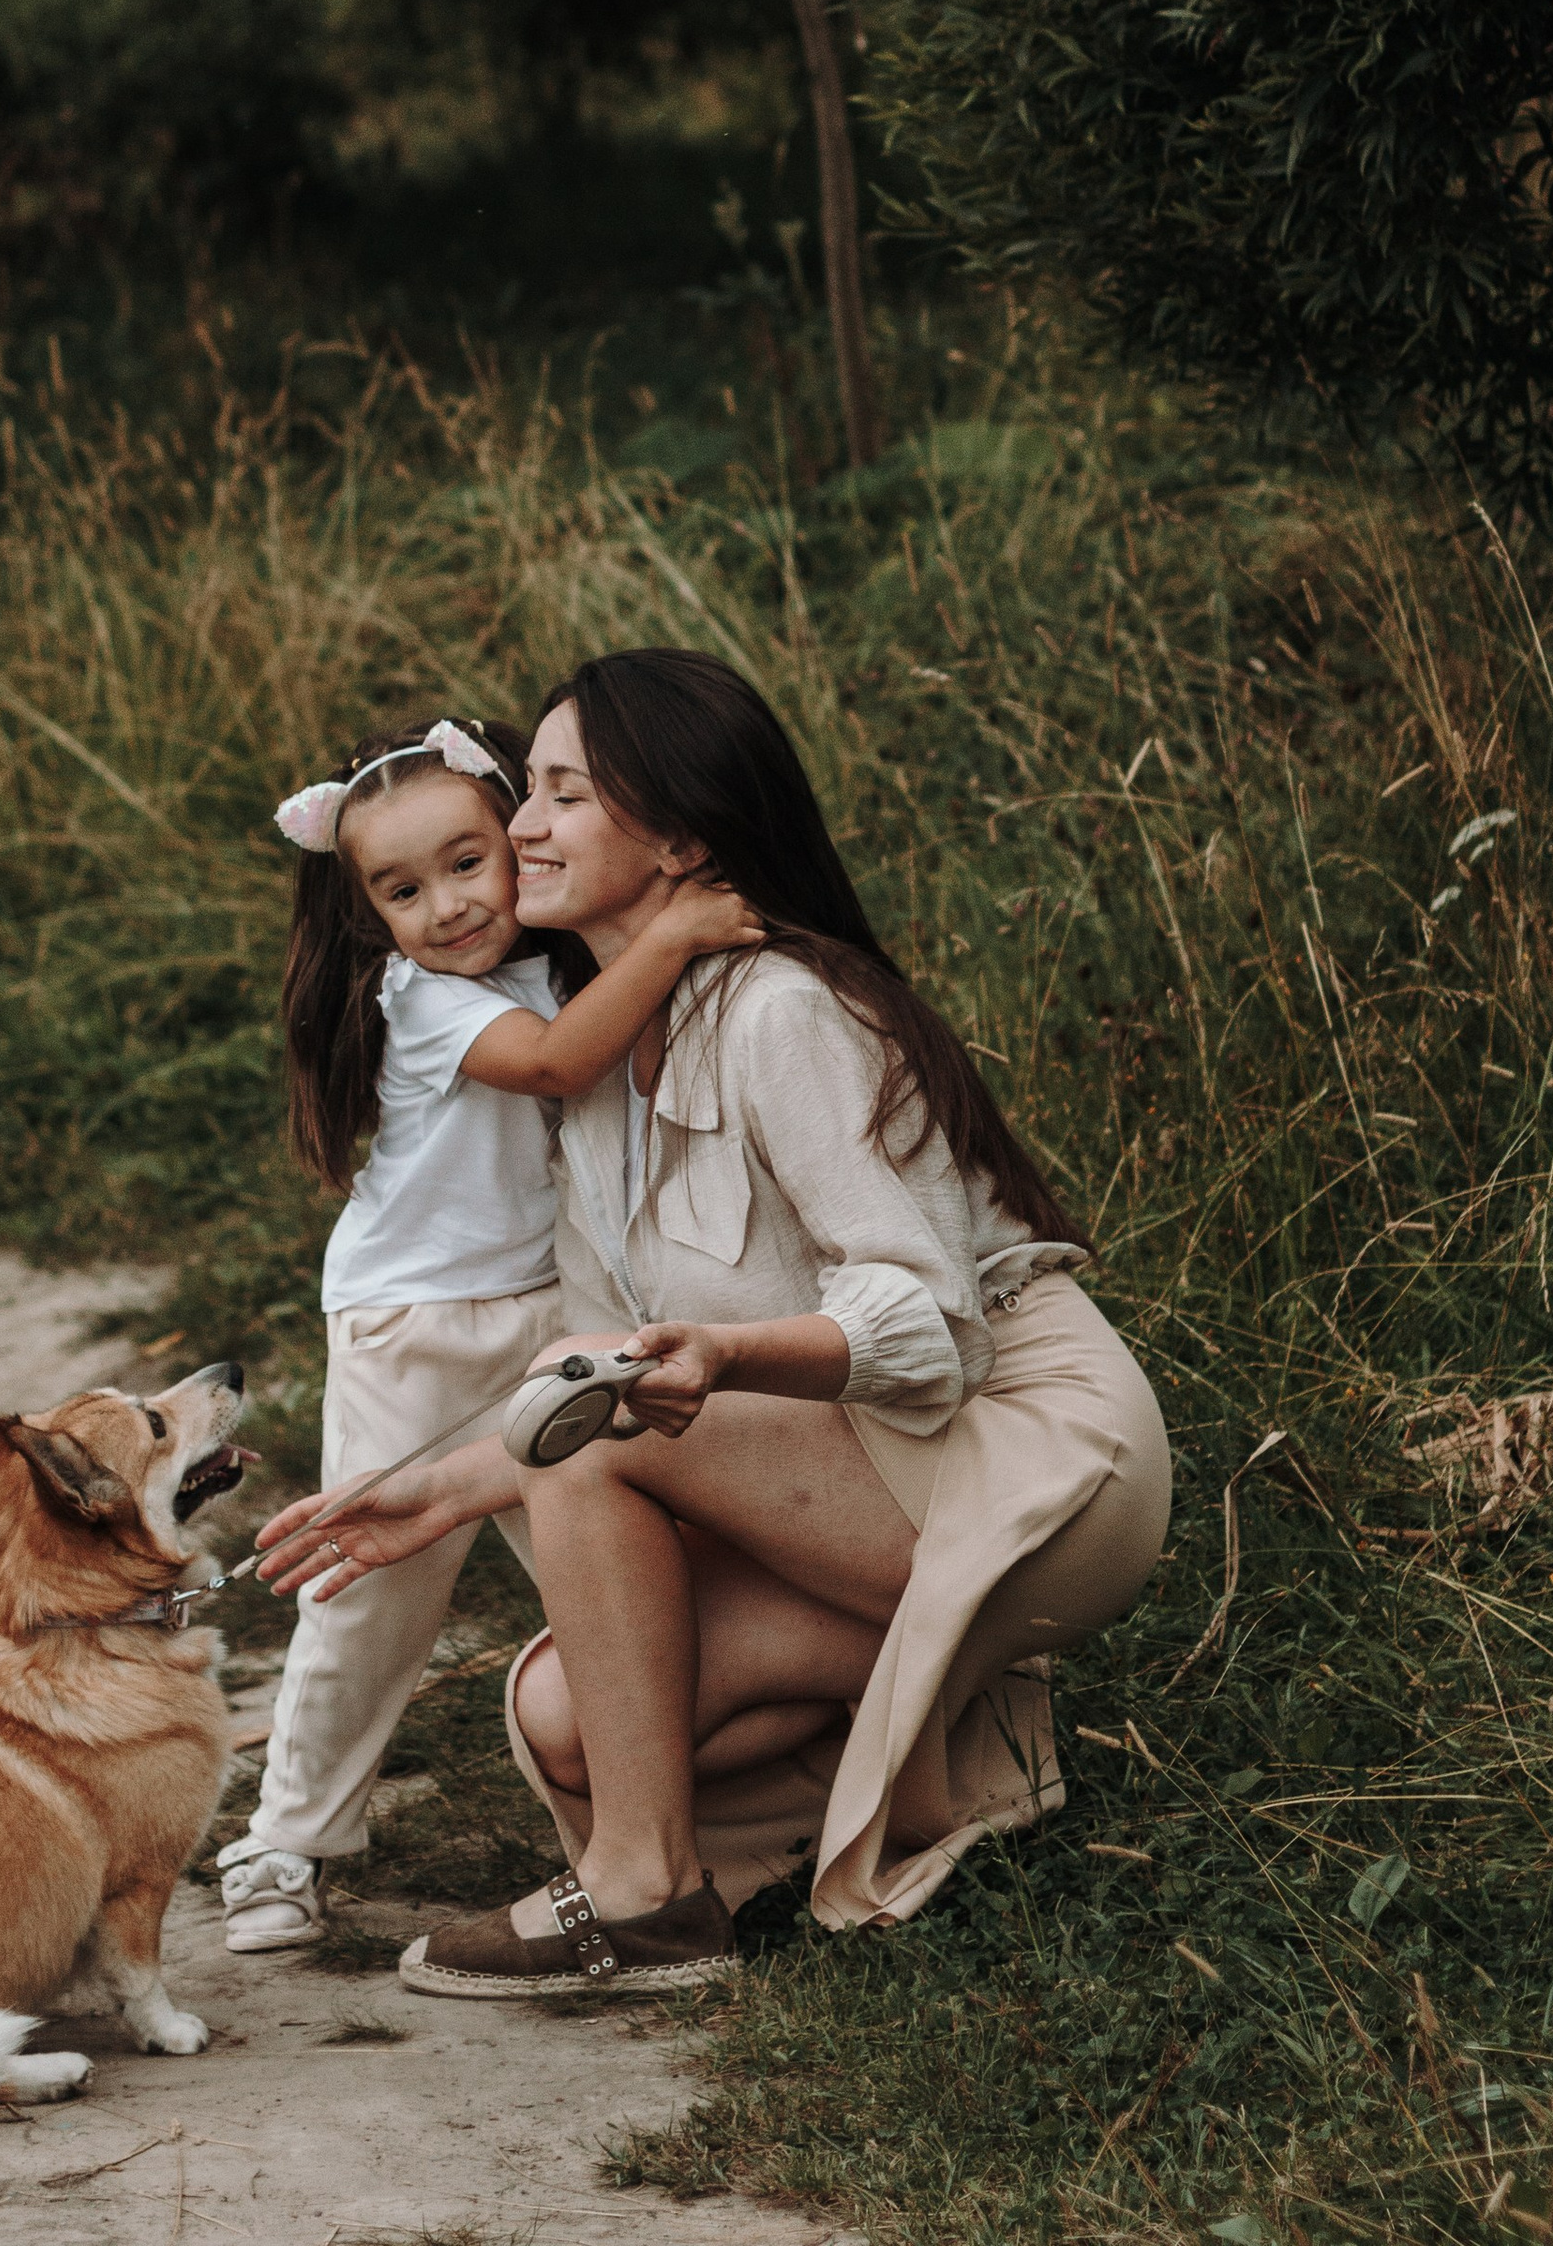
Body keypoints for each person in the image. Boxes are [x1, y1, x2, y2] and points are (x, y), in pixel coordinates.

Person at [257, 649, 1171, 1996]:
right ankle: (968, 1743)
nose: (521, 826)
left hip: (1032, 1469)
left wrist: (732, 1355)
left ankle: (643, 1895)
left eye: (562, 794)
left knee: (592, 1404)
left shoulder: (783, 1010)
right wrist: (434, 1492)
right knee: (562, 1717)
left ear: (681, 837)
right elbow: (615, 1375)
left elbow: (930, 1327)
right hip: (867, 1481)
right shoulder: (593, 1058)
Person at [215, 708, 751, 1955]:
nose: (448, 906)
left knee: (600, 1563)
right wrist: (674, 931)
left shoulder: (555, 957)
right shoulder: (424, 1002)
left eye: (467, 863)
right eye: (403, 890)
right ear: (372, 920)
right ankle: (285, 1842)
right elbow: (565, 1064)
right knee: (375, 1587)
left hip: (547, 1311)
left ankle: (658, 1828)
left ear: (515, 836)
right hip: (413, 1325)